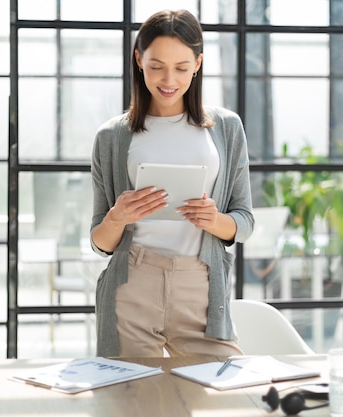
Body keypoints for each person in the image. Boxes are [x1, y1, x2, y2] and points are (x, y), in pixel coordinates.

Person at [90, 9, 254, 358]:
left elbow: (245, 223)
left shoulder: (226, 128)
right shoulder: (112, 137)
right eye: (156, 66)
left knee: (225, 396)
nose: (169, 79)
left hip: (201, 285)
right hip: (132, 282)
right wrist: (118, 218)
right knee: (130, 403)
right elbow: (100, 243)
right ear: (138, 59)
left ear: (198, 63)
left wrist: (216, 220)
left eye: (181, 67)